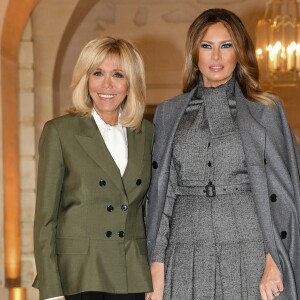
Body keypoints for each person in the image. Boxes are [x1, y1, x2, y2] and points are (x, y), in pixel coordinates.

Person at [146, 8, 300, 300]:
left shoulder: (265, 112)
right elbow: (164, 193)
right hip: (184, 250)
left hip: (250, 250)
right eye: (207, 46)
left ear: (239, 52)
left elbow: (284, 194)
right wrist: (157, 261)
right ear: (195, 53)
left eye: (226, 45)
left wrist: (274, 258)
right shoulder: (169, 113)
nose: (216, 57)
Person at [33, 36, 153, 300]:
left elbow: (148, 212)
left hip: (130, 275)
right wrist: (51, 291)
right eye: (97, 73)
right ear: (85, 80)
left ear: (131, 82)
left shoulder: (146, 133)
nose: (107, 84)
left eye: (118, 74)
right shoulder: (60, 132)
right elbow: (45, 219)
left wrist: (153, 276)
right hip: (78, 276)